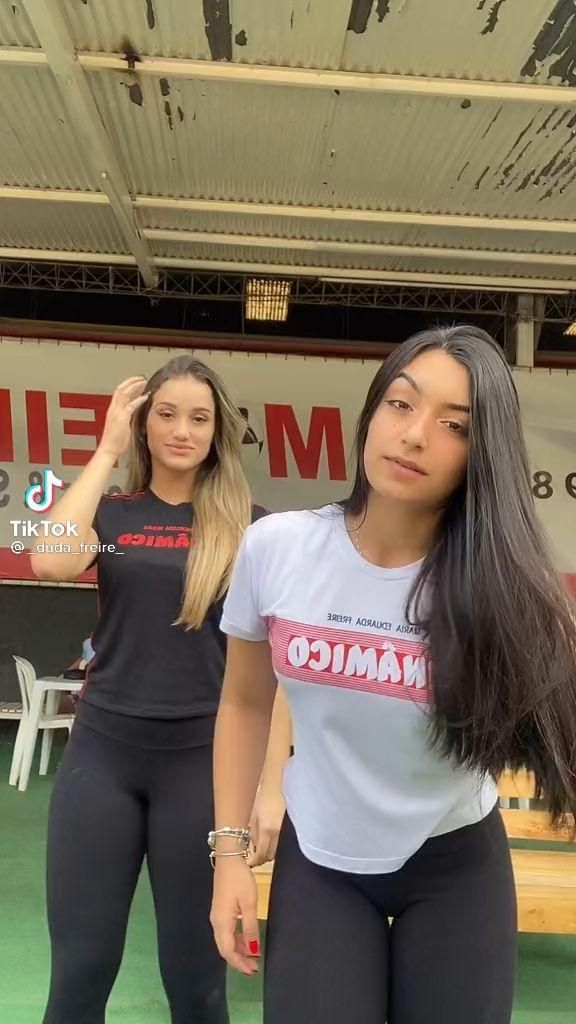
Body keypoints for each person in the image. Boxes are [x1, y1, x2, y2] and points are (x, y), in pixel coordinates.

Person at [209, 326, 576, 1024]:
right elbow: (245, 702)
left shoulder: (504, 590)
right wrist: (230, 854)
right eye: (401, 404)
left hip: (455, 864)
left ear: (483, 454)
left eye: (454, 425)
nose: (414, 436)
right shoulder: (278, 549)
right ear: (371, 412)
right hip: (321, 862)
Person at [30, 355, 288, 1024]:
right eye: (166, 415)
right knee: (80, 974)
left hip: (204, 766)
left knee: (196, 983)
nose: (181, 430)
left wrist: (271, 787)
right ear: (145, 426)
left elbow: (275, 672)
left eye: (199, 418)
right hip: (102, 757)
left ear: (217, 431)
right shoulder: (113, 517)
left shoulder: (254, 527)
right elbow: (49, 559)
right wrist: (106, 451)